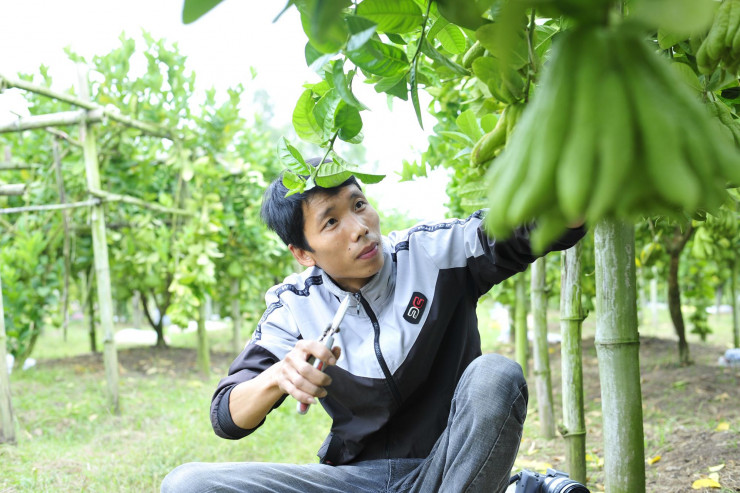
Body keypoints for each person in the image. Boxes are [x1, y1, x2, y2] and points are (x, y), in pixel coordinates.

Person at [161, 165, 585, 493]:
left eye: (359, 204)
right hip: (357, 481)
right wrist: (277, 376)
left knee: (496, 374)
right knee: (187, 484)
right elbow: (227, 416)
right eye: (331, 222)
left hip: (451, 467)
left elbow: (534, 229)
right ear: (302, 253)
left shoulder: (433, 253)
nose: (360, 227)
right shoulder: (294, 307)